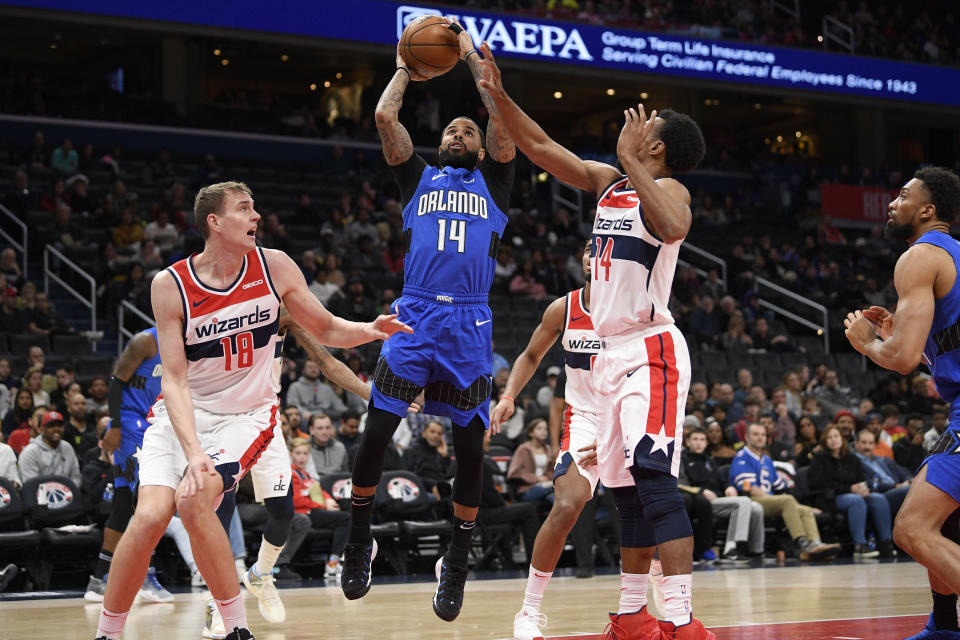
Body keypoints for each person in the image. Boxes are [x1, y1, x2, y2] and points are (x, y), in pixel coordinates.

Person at [93, 180, 410, 640]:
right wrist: (192, 448)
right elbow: (175, 380)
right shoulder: (171, 284)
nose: (257, 216)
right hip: (183, 411)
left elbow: (324, 327)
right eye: (245, 209)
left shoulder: (274, 265)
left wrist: (370, 328)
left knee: (194, 499)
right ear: (215, 222)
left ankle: (237, 628)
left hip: (246, 415)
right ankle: (108, 632)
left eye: (256, 207)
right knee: (147, 517)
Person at [479, 42, 713, 639]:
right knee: (626, 496)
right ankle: (634, 618)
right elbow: (540, 147)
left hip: (651, 346)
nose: (634, 129)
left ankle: (683, 624)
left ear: (655, 148)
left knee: (654, 478)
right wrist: (498, 96)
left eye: (645, 128)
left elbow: (675, 227)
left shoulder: (672, 191)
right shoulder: (609, 183)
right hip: (608, 359)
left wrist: (631, 162)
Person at [341, 21, 515, 625]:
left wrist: (469, 58)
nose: (456, 132)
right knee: (376, 435)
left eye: (466, 130)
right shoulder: (418, 177)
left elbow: (500, 117)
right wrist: (402, 69)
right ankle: (359, 539)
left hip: (469, 325)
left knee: (471, 453)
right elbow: (387, 122)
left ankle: (457, 559)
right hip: (414, 313)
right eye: (450, 127)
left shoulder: (496, 181)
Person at [491, 242, 637, 640]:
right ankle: (529, 611)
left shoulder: (636, 308)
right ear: (583, 261)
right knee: (569, 503)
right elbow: (530, 355)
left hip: (628, 419)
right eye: (590, 250)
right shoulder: (564, 308)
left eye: (603, 250)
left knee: (645, 511)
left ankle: (645, 605)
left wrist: (621, 435)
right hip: (587, 418)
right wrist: (508, 397)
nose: (596, 256)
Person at [842, 167, 960, 639]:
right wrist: (914, 339)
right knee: (943, 523)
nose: (893, 201)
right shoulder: (953, 257)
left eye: (903, 195)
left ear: (928, 210)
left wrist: (868, 342)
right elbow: (938, 354)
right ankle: (945, 626)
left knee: (911, 528)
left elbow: (902, 360)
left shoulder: (919, 257)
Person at [84, 328, 172, 604]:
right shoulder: (146, 341)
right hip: (130, 424)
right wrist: (116, 426)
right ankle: (144, 576)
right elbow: (116, 381)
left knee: (124, 503)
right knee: (147, 501)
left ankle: (99, 580)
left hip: (154, 423)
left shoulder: (185, 342)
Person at [730, 423, 840, 561]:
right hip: (751, 500)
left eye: (763, 435)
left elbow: (780, 487)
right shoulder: (742, 456)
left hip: (772, 501)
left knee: (805, 510)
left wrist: (794, 505)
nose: (760, 438)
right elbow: (751, 488)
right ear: (746, 437)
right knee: (786, 500)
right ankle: (803, 545)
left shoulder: (767, 460)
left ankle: (815, 545)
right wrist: (782, 501)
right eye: (756, 434)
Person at [808, 424, 894, 558]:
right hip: (829, 498)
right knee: (856, 501)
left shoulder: (852, 459)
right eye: (829, 437)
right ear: (825, 440)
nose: (833, 439)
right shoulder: (819, 459)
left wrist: (863, 489)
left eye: (836, 436)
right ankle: (860, 546)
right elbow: (819, 485)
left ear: (842, 439)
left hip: (852, 494)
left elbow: (859, 480)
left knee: (878, 498)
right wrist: (850, 489)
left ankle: (886, 543)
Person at [681, 427, 764, 563]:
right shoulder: (683, 460)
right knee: (742, 502)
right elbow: (683, 484)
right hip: (702, 502)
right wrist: (701, 491)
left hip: (720, 499)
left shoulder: (709, 460)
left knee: (756, 508)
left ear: (706, 443)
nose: (699, 443)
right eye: (695, 439)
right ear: (688, 442)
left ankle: (757, 551)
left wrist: (729, 487)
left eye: (702, 440)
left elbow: (722, 481)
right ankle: (731, 550)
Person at [288, 438, 350, 578]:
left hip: (312, 510)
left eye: (305, 453)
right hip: (303, 514)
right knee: (345, 518)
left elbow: (318, 491)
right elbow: (296, 501)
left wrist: (328, 499)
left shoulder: (305, 474)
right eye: (298, 453)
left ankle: (336, 561)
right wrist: (323, 505)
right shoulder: (291, 474)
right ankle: (333, 564)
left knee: (345, 516)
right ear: (291, 454)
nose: (302, 457)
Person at [853, 428, 911, 519]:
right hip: (882, 494)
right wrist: (896, 486)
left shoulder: (884, 460)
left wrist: (910, 481)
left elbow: (904, 472)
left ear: (875, 445)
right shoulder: (854, 462)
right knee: (908, 490)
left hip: (899, 488)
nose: (867, 446)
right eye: (863, 443)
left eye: (870, 443)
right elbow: (870, 484)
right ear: (856, 444)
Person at [18, 411, 81, 487]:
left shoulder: (67, 447)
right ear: (42, 429)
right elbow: (31, 484)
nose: (56, 429)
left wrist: (69, 492)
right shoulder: (30, 452)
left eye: (59, 425)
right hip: (38, 496)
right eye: (51, 426)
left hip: (66, 495)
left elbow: (76, 476)